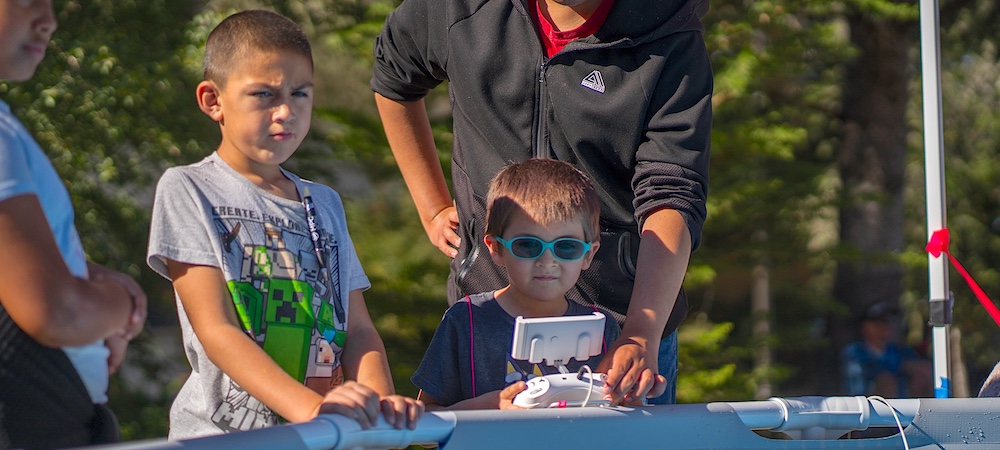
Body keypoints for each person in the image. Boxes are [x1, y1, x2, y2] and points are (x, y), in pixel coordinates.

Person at [371, 0, 712, 405]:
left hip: (623, 334)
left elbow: (671, 191)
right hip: (491, 325)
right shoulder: (457, 8)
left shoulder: (670, 30)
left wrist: (641, 331)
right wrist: (432, 205)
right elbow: (393, 73)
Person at [146, 10, 422, 439]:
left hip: (321, 435)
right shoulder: (188, 188)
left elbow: (359, 331)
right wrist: (313, 408)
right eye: (263, 95)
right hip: (225, 438)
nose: (285, 112)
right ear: (212, 101)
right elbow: (216, 329)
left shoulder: (325, 202)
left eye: (299, 94)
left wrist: (379, 408)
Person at [0, 0, 148, 447]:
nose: (48, 20)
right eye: (27, 1)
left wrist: (85, 276)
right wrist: (125, 307)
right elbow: (58, 310)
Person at [413, 158, 621, 409]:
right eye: (528, 245)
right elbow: (426, 422)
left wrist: (629, 400)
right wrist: (490, 407)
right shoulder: (466, 320)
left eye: (566, 247)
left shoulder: (603, 327)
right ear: (496, 248)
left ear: (588, 254)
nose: (547, 261)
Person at [841, 302, 933, 398]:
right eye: (881, 321)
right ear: (866, 326)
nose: (887, 326)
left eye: (891, 321)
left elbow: (922, 367)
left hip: (902, 405)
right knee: (886, 381)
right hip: (864, 405)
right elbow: (860, 380)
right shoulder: (855, 352)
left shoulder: (899, 351)